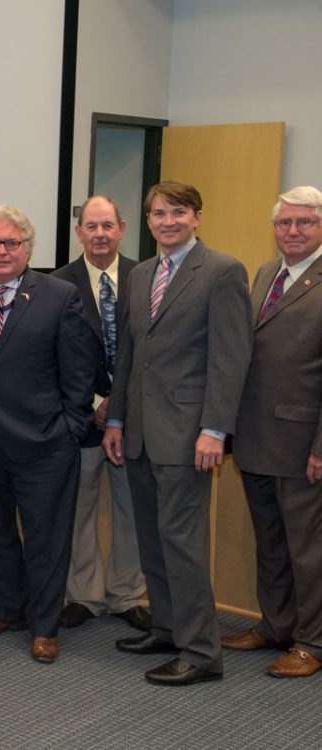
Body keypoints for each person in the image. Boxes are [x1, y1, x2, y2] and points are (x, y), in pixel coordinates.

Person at [104, 180, 251, 686]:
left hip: (190, 435)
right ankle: (166, 629)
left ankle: (201, 652)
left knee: (182, 543)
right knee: (153, 539)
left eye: (178, 212)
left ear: (197, 216)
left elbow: (231, 359)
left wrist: (215, 430)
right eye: (159, 214)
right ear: (147, 222)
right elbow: (128, 355)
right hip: (141, 433)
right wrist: (117, 420)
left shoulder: (223, 271)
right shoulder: (140, 274)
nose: (168, 221)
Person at [0, 205, 97, 663]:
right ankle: (7, 609)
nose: (1, 251)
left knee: (47, 540)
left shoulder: (57, 294)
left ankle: (45, 625)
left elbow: (79, 371)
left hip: (45, 444)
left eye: (12, 243)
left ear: (28, 250)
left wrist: (70, 429)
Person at [222, 186, 322, 679]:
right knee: (271, 542)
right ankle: (276, 626)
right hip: (257, 437)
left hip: (304, 444)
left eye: (304, 222)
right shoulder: (266, 273)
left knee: (309, 550)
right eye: (285, 223)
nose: (293, 231)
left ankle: (312, 642)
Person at [51, 196, 149, 632]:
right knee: (79, 509)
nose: (100, 234)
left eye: (108, 225)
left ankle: (127, 594)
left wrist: (120, 404)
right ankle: (85, 596)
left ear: (122, 228)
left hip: (134, 417)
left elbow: (150, 351)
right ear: (79, 233)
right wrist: (95, 403)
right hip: (81, 419)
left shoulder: (146, 278)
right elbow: (55, 357)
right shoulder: (56, 284)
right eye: (91, 226)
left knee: (134, 509)